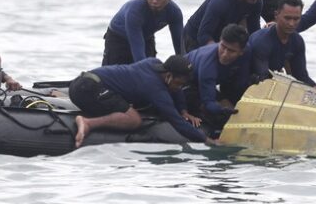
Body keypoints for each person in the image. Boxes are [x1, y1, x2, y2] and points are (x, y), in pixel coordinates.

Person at [69, 55, 213, 147]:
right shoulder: (154, 88)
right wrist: (207, 140)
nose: (179, 88)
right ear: (168, 76)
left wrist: (183, 110)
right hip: (86, 89)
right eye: (178, 83)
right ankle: (87, 123)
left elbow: (177, 91)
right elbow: (176, 121)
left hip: (83, 81)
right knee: (134, 119)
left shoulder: (154, 63)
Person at [184, 24, 251, 136]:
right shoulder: (208, 65)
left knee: (236, 112)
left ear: (241, 52)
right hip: (187, 83)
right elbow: (208, 102)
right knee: (219, 115)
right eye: (223, 47)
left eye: (231, 51)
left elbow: (241, 82)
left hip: (213, 83)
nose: (225, 54)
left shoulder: (248, 51)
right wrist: (221, 110)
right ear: (219, 41)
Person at [102, 0, 183, 66]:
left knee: (151, 70)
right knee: (121, 72)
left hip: (146, 37)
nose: (154, 1)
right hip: (118, 38)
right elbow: (139, 56)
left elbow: (180, 46)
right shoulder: (135, 10)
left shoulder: (174, 12)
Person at [247, 0, 316, 86]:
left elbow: (301, 77)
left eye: (296, 19)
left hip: (270, 81)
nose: (291, 24)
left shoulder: (297, 41)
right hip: (249, 83)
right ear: (276, 15)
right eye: (287, 18)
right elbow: (263, 80)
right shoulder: (262, 41)